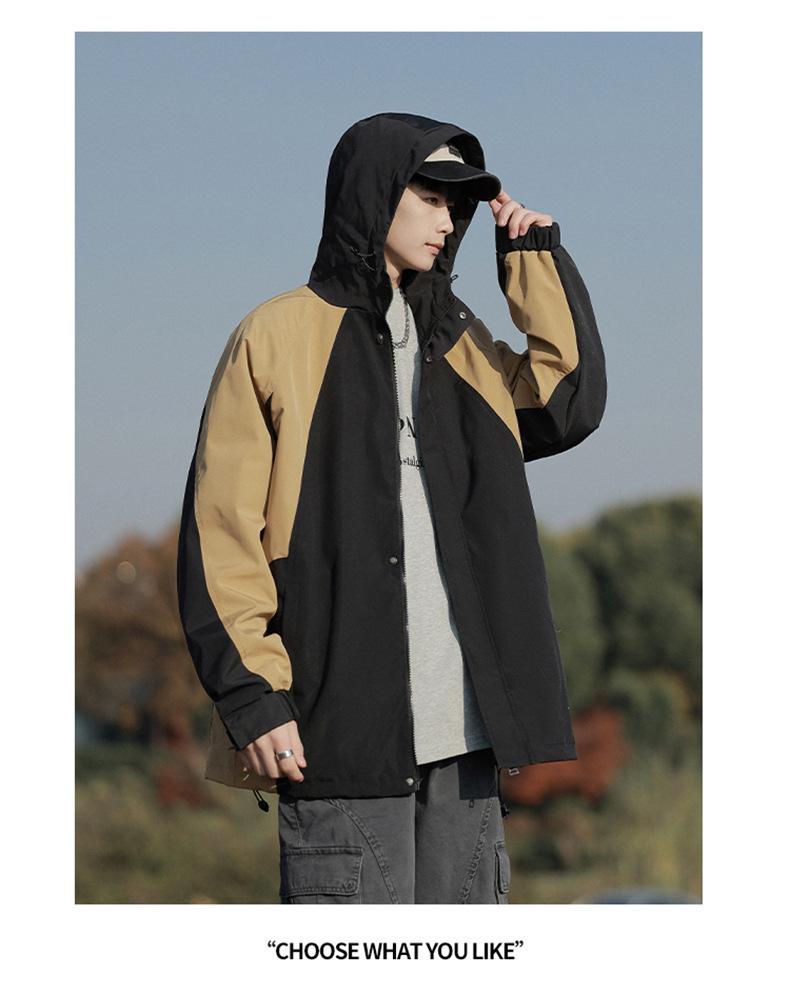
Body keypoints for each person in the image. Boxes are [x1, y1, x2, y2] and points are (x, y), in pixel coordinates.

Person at [176, 112, 607, 904]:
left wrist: (533, 256)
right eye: (431, 197)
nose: (448, 219)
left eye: (458, 205)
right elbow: (221, 537)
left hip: (468, 746)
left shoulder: (464, 345)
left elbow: (565, 400)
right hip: (338, 737)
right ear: (374, 194)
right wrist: (252, 698)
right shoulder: (274, 337)